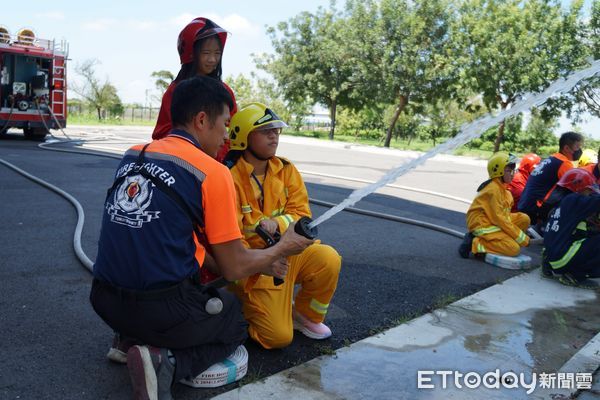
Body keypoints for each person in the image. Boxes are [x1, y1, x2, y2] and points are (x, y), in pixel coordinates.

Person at [90, 77, 313, 399]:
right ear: (201, 120)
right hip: (160, 309)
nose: (226, 136)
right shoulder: (212, 172)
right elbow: (235, 267)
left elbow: (166, 236)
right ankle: (166, 362)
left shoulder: (133, 155)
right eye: (224, 124)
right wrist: (284, 247)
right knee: (234, 319)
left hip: (104, 300)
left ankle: (127, 340)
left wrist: (257, 261)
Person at [224, 102, 342, 349]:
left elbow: (301, 213)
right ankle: (241, 306)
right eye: (265, 130)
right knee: (277, 338)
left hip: (287, 255)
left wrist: (276, 222)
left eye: (276, 130)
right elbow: (231, 241)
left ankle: (305, 316)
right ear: (243, 137)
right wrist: (262, 260)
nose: (274, 135)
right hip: (255, 267)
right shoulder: (228, 178)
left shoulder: (285, 169)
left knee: (328, 258)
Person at [152, 16, 237, 162]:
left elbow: (235, 130)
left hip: (215, 166)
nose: (212, 59)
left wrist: (218, 158)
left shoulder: (224, 91)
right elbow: (162, 133)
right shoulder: (175, 91)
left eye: (217, 53)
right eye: (206, 53)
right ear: (191, 54)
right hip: (181, 165)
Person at [459, 152, 530, 259]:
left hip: (492, 220)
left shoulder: (503, 189)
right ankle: (476, 243)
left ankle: (500, 241)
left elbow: (503, 216)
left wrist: (517, 236)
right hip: (482, 224)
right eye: (508, 171)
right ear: (498, 172)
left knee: (524, 219)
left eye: (513, 170)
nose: (512, 174)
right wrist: (522, 239)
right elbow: (500, 219)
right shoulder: (493, 190)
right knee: (514, 249)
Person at [541, 168, 600, 289]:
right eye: (588, 191)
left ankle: (552, 267)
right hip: (561, 259)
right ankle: (575, 275)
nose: (590, 194)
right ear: (580, 188)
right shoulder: (575, 201)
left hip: (550, 258)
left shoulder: (562, 203)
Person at [517, 131, 584, 222]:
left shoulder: (552, 158)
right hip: (535, 209)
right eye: (577, 147)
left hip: (524, 204)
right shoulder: (564, 163)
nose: (579, 150)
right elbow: (576, 186)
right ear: (566, 148)